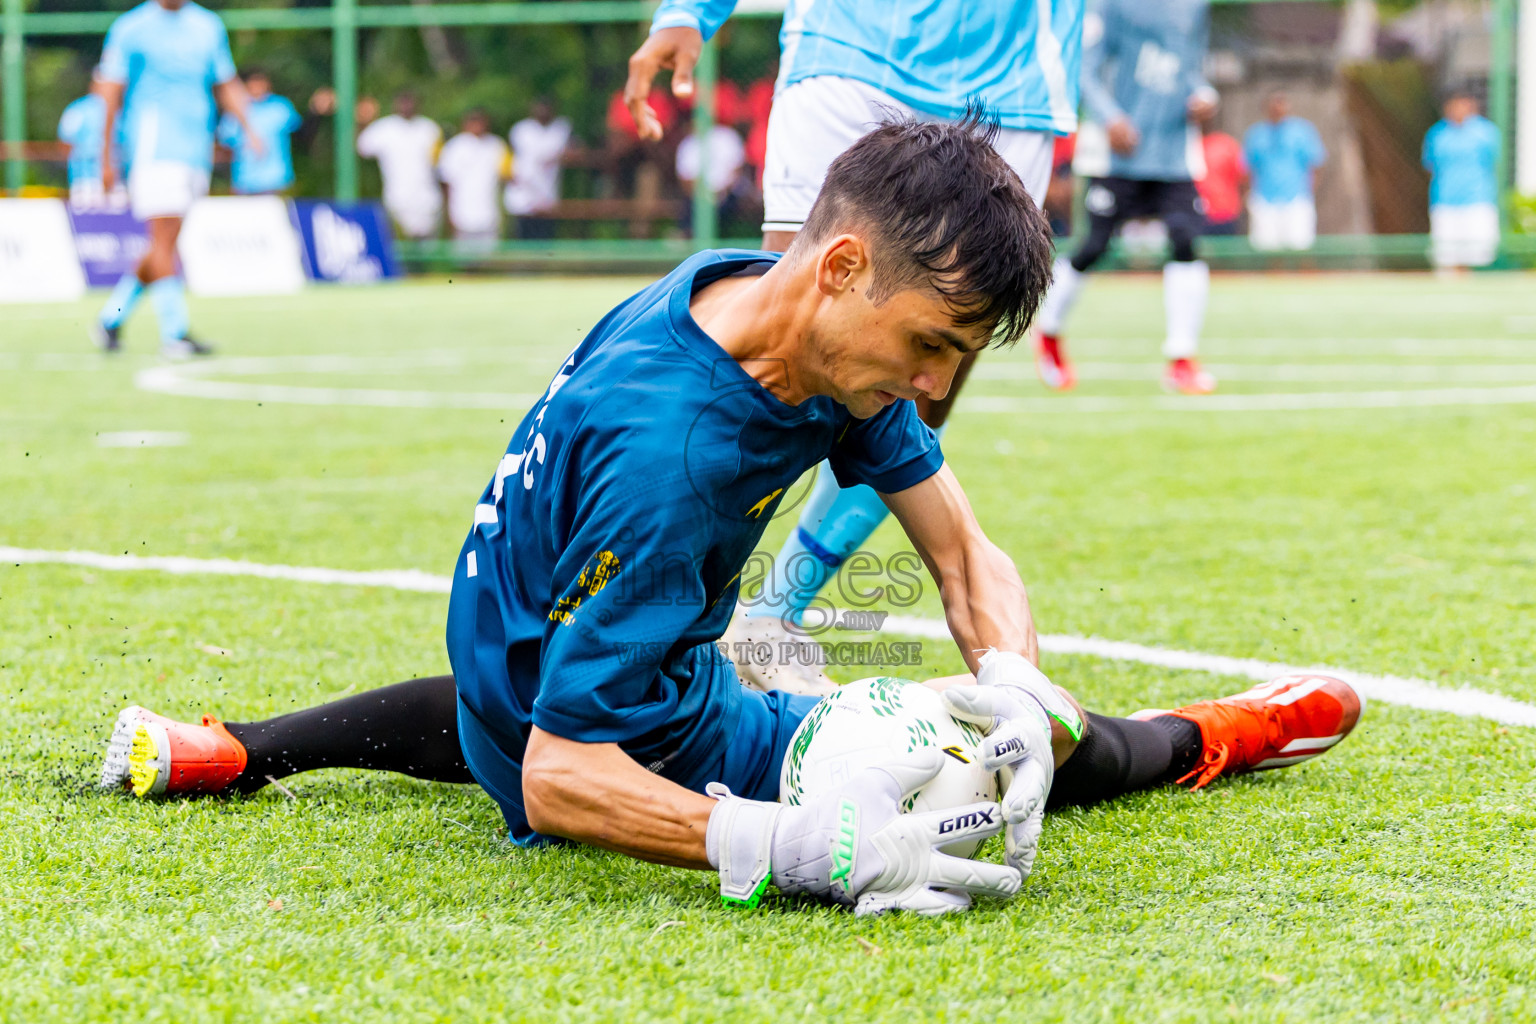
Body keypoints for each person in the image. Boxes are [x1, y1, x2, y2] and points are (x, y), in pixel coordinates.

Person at [99, 120, 1363, 917]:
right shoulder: (679, 459)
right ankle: (1218, 731)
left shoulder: (754, 308)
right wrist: (795, 845)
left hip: (530, 666)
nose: (933, 387)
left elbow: (962, 549)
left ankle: (240, 744)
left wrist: (1023, 688)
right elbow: (559, 776)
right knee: (951, 777)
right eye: (929, 347)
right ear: (844, 266)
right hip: (608, 733)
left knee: (1019, 735)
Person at [626, 0, 1084, 692]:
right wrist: (690, 10)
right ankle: (683, 627)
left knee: (919, 385)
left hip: (1011, 77)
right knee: (779, 359)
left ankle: (773, 613)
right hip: (848, 46)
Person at [1034, 0, 1218, 397]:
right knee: (1093, 246)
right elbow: (1083, 69)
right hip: (1117, 151)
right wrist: (1110, 116)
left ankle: (1182, 358)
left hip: (1173, 150)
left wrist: (1206, 96)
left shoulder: (1195, 7)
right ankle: (1048, 334)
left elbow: (1193, 67)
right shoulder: (1107, 5)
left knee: (1186, 240)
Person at [88, 0, 261, 359]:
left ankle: (111, 318)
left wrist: (250, 128)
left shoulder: (207, 25)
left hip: (195, 149)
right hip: (153, 147)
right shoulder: (131, 27)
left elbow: (225, 82)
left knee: (162, 245)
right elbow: (110, 92)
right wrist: (105, 156)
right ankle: (175, 332)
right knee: (164, 240)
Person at [1422, 90, 1501, 272]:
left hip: (1478, 198)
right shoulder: (1437, 134)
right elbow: (1430, 165)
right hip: (1445, 199)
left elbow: (1494, 163)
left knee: (1479, 254)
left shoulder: (1486, 133)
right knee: (1447, 255)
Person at [1242, 92, 1325, 252]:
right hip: (1265, 199)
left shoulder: (1302, 131)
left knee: (1301, 246)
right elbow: (1248, 168)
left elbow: (1316, 164)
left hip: (1296, 198)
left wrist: (1308, 191)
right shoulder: (1256, 134)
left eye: (1281, 103)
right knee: (1267, 248)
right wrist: (1249, 195)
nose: (1277, 107)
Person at [356, 91, 443, 240]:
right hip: (396, 199)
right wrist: (362, 120)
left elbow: (440, 165)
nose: (406, 106)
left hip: (427, 200)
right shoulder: (384, 128)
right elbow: (362, 147)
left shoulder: (430, 128)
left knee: (426, 252)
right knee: (399, 248)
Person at [216, 68, 301, 196]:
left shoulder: (280, 106)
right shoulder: (235, 110)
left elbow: (301, 134)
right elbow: (225, 146)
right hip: (244, 182)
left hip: (275, 181)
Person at [436, 109, 511, 246]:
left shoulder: (497, 145)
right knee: (465, 260)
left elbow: (505, 179)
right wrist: (448, 215)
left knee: (488, 259)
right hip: (461, 214)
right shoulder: (454, 147)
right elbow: (445, 183)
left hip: (489, 215)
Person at [504, 98, 572, 240]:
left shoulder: (560, 129)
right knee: (521, 241)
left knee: (543, 242)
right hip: (523, 196)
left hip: (547, 197)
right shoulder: (521, 129)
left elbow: (574, 151)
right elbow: (510, 157)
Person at [57, 77, 127, 209]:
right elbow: (66, 144)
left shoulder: (77, 109)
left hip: (110, 179)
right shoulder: (79, 110)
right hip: (87, 178)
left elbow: (65, 144)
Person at [1198, 121, 1245, 236]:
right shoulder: (1185, 145)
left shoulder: (1227, 144)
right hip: (1193, 215)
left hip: (1224, 214)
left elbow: (1242, 177)